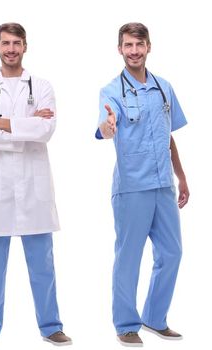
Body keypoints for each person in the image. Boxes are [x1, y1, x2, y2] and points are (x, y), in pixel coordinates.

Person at [0, 23, 71, 347]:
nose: (11, 48)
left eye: (16, 43)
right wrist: (25, 127)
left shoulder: (41, 86)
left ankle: (51, 325)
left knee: (42, 263)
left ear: (25, 46)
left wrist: (2, 124)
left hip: (33, 186)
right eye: (5, 43)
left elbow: (45, 130)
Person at [96, 22, 188, 347]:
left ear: (148, 46)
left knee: (172, 253)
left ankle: (154, 317)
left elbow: (168, 136)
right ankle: (125, 324)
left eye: (139, 44)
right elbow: (107, 128)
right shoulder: (111, 92)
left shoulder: (164, 88)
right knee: (129, 256)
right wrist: (109, 125)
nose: (134, 51)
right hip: (132, 187)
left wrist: (182, 177)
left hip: (164, 185)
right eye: (128, 45)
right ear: (119, 49)